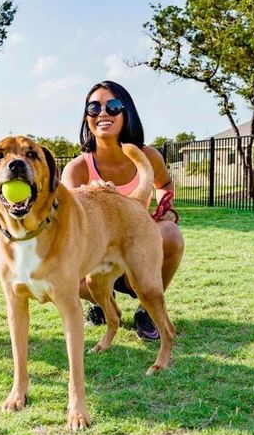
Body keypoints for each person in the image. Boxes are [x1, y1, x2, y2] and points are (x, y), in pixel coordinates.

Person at [60, 81, 184, 341]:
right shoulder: (76, 168)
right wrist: (91, 198)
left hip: (137, 249)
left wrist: (165, 207)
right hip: (95, 256)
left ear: (127, 112)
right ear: (87, 117)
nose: (103, 113)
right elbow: (68, 222)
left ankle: (146, 310)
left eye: (113, 106)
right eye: (94, 108)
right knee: (64, 271)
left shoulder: (148, 156)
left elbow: (165, 184)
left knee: (171, 233)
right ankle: (103, 302)